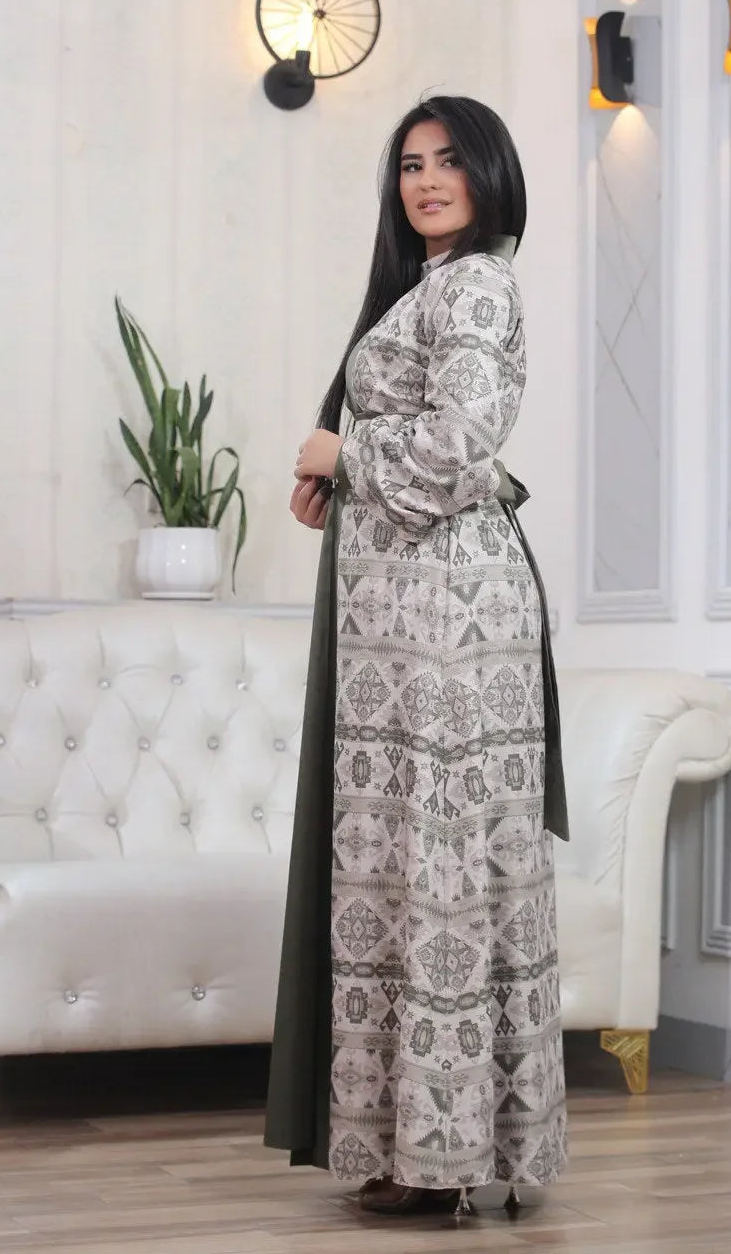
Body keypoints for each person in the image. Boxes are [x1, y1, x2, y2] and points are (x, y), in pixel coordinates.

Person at [263, 95, 569, 1217]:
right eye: (408, 165)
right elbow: (432, 445)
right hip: (405, 619)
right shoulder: (425, 287)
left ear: (490, 172)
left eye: (448, 160)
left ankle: (443, 1156)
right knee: (406, 869)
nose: (427, 180)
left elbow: (461, 444)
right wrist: (336, 479)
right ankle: (422, 1145)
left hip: (451, 622)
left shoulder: (477, 283)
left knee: (442, 867)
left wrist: (346, 451)